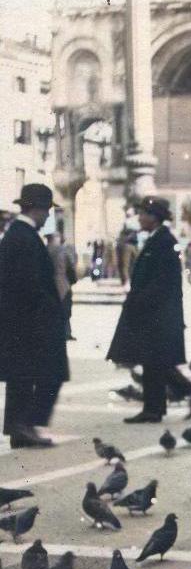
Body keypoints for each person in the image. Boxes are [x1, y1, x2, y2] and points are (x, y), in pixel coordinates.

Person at [108, 196, 191, 424]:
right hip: (154, 312)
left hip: (157, 313)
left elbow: (162, 282)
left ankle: (164, 404)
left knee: (154, 360)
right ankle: (158, 406)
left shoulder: (163, 241)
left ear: (155, 217)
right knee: (154, 360)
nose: (140, 217)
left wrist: (140, 301)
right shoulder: (158, 239)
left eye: (144, 214)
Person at [0, 184, 66, 448]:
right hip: (29, 322)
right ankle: (23, 426)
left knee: (24, 375)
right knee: (44, 373)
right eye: (47, 211)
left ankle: (21, 428)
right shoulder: (24, 237)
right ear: (37, 209)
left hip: (20, 321)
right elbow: (28, 285)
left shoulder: (18, 234)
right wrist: (49, 311)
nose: (48, 217)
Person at [46, 232, 77, 340]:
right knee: (65, 310)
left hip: (47, 286)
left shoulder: (43, 250)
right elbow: (71, 268)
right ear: (56, 238)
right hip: (63, 284)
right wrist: (72, 281)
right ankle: (66, 332)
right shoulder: (63, 251)